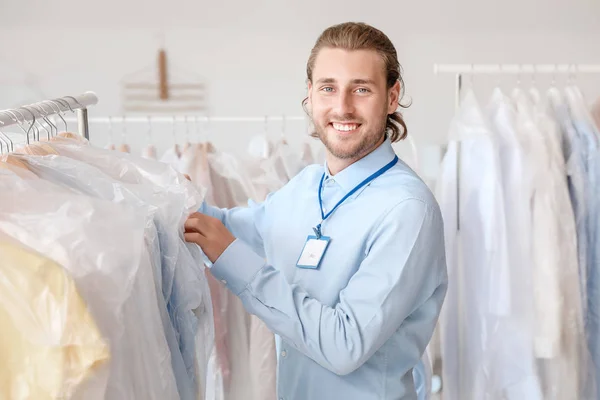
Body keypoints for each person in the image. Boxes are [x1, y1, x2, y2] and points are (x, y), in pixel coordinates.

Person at [184, 21, 448, 400]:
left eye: (361, 89)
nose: (342, 107)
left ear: (392, 97)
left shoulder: (408, 210)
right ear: (310, 94)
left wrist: (234, 260)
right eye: (328, 88)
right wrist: (167, 198)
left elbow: (344, 344)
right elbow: (234, 229)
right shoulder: (306, 185)